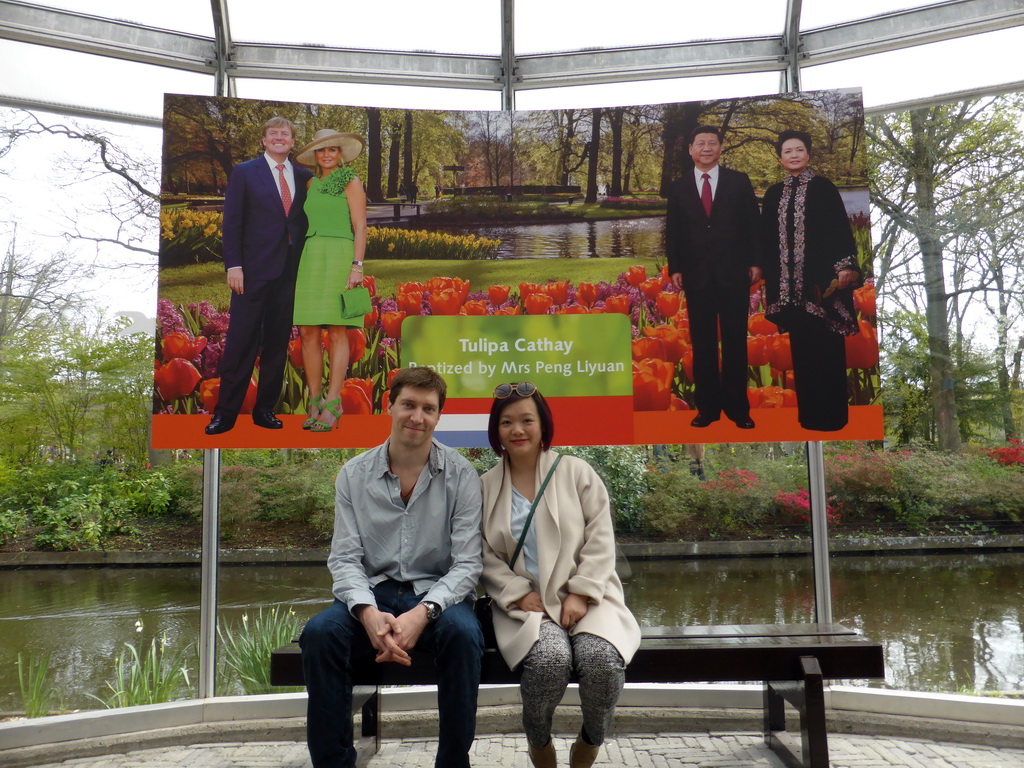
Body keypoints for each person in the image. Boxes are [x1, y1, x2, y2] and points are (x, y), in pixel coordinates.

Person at [299, 366, 484, 768]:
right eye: (408, 405)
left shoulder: (462, 475)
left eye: (428, 408)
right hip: (373, 592)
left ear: (439, 416)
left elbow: (468, 564)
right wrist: (366, 613)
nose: (417, 417)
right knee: (319, 634)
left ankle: (452, 763)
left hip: (437, 597)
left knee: (464, 636)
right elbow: (345, 559)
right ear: (390, 406)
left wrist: (424, 612)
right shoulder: (353, 474)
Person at [480, 382, 640, 768]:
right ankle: (539, 745)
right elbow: (481, 555)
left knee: (602, 661)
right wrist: (517, 593)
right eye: (507, 422)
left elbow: (601, 537)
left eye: (526, 420)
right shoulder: (483, 487)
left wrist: (581, 592)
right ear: (496, 430)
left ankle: (590, 741)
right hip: (526, 607)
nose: (517, 430)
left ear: (542, 424)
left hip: (588, 599)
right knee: (549, 662)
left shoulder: (575, 472)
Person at [206, 116, 312, 435]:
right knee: (241, 343)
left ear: (293, 142)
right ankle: (225, 413)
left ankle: (265, 410)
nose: (279, 138)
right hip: (250, 273)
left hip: (290, 273)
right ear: (264, 140)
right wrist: (234, 265)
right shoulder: (244, 172)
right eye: (273, 134)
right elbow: (232, 223)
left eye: (285, 134)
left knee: (277, 345)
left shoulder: (305, 176)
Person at [760, 130, 860, 431]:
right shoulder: (773, 193)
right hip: (787, 287)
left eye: (799, 150)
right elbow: (765, 239)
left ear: (808, 155)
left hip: (820, 281)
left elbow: (840, 230)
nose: (793, 155)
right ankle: (810, 418)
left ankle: (833, 418)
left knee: (827, 349)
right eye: (787, 151)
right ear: (780, 158)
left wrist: (844, 267)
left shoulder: (823, 188)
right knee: (802, 352)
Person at [665, 124, 762, 430]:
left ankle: (738, 410)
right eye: (700, 143)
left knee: (735, 343)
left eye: (712, 143)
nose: (706, 148)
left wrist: (756, 262)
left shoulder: (738, 181)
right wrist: (676, 268)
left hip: (734, 273)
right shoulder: (679, 187)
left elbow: (752, 225)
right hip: (697, 276)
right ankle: (706, 409)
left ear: (721, 148)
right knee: (703, 345)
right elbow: (674, 232)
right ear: (691, 149)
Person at [291, 129, 368, 431]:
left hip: (339, 255)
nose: (326, 155)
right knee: (308, 332)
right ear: (315, 156)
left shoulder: (351, 180)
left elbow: (360, 226)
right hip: (311, 255)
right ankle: (314, 400)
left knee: (337, 332)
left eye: (332, 150)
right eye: (321, 151)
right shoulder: (310, 184)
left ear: (340, 153)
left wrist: (357, 266)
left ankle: (334, 403)